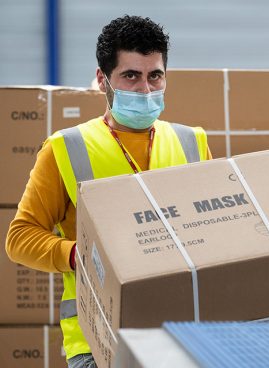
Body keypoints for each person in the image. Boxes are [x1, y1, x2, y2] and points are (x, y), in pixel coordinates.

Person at [5, 15, 211, 367]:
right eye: (130, 76)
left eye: (155, 75)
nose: (145, 90)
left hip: (182, 335)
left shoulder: (192, 141)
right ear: (103, 80)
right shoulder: (65, 149)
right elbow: (20, 239)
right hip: (98, 342)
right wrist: (82, 257)